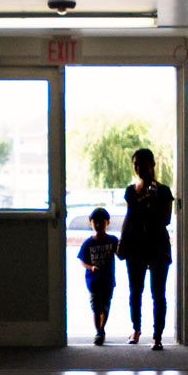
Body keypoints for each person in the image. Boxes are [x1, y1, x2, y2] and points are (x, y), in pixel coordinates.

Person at [119, 147, 174, 350]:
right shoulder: (130, 192)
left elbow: (166, 220)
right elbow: (129, 216)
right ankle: (136, 329)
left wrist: (153, 202)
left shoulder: (164, 191)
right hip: (135, 246)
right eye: (135, 164)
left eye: (142, 164)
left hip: (158, 245)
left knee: (158, 292)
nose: (139, 168)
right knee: (135, 291)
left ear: (152, 165)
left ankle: (157, 336)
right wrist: (121, 242)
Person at [77, 206, 118, 345]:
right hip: (94, 281)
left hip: (108, 280)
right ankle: (99, 332)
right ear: (91, 223)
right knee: (96, 307)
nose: (98, 225)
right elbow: (82, 260)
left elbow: (120, 254)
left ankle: (102, 328)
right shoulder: (88, 243)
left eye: (102, 222)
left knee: (106, 306)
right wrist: (91, 267)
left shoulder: (112, 240)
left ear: (108, 222)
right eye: (95, 222)